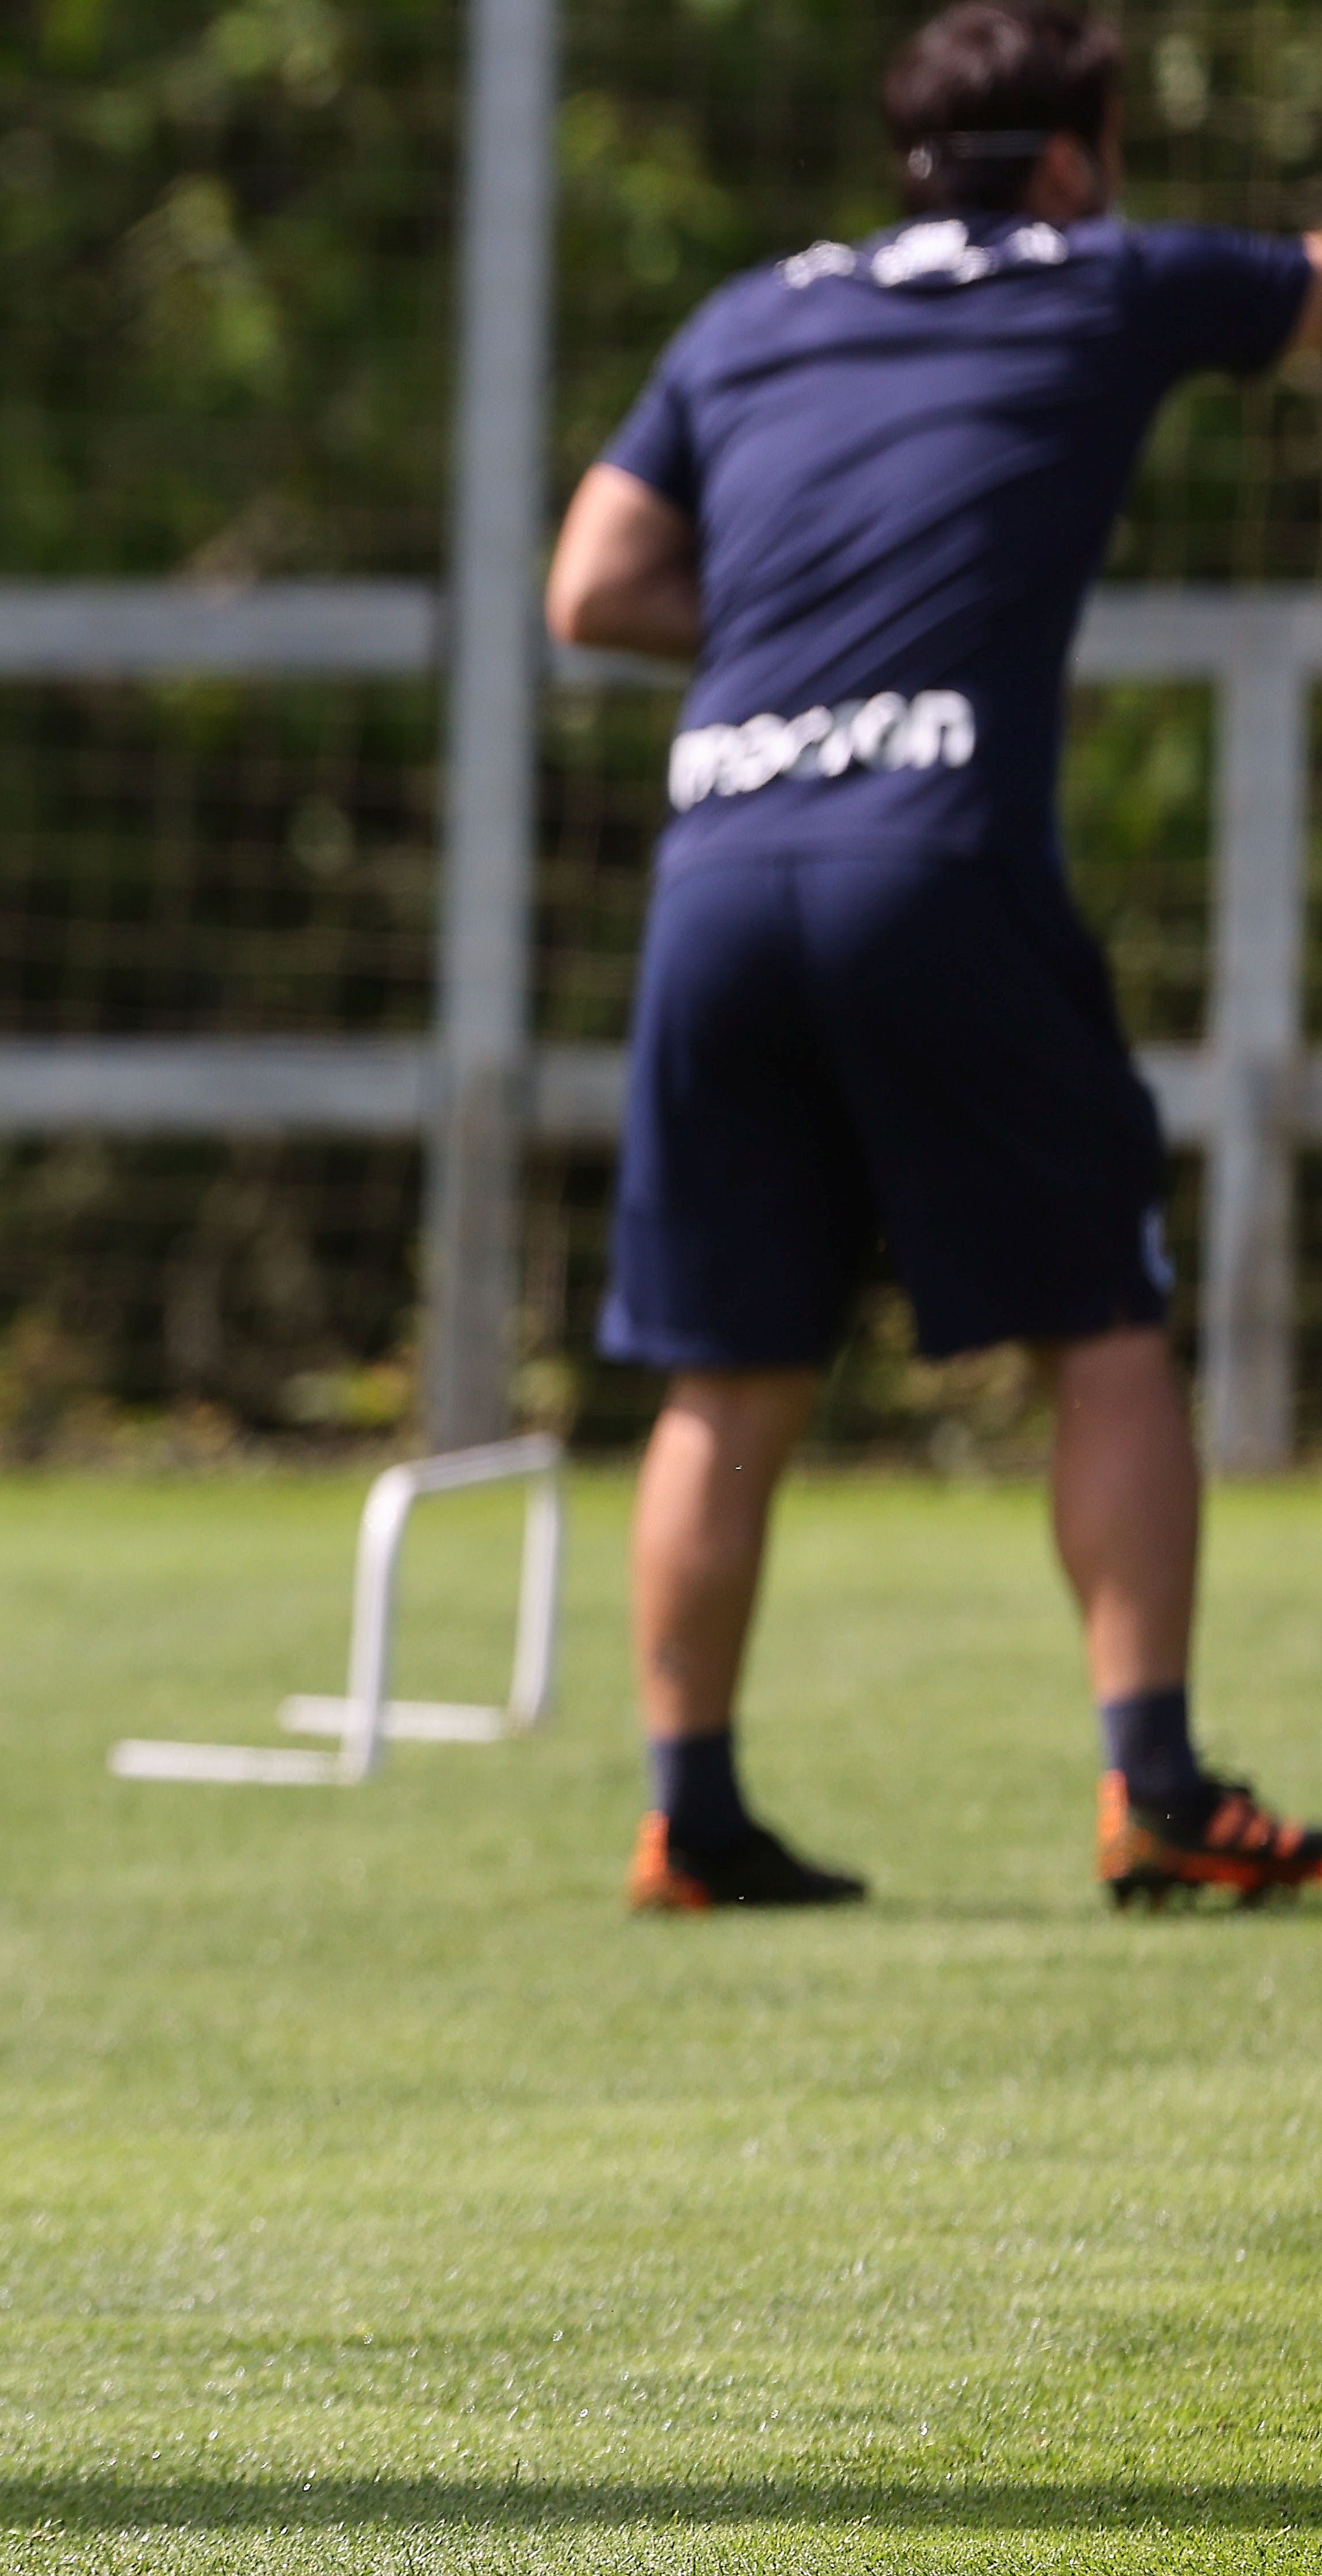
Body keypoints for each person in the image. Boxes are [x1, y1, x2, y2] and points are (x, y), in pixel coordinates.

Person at [544, 2, 1322, 1914]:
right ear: (1072, 158)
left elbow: (593, 587)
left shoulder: (751, 314)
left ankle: (689, 1818)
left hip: (723, 861)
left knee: (731, 1368)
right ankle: (1153, 1785)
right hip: (936, 855)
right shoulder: (1107, 277)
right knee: (1106, 1329)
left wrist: (800, 637)